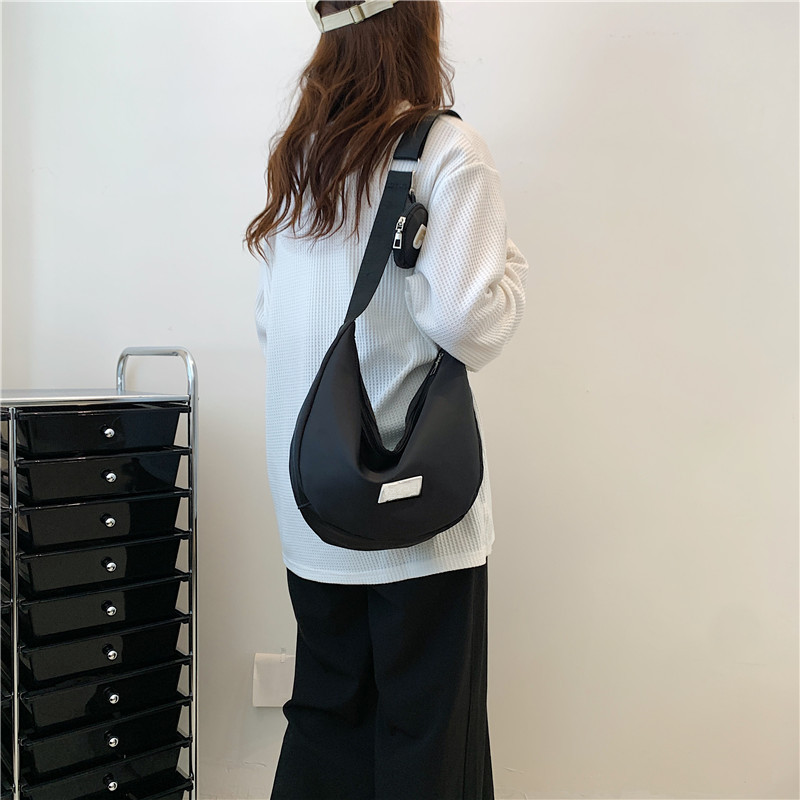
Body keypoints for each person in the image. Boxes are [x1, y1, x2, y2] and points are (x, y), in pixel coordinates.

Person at [243, 1, 529, 797]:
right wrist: (511, 271)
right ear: (415, 24)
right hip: (417, 512)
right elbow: (468, 321)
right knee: (427, 740)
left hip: (313, 497)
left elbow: (271, 322)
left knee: (325, 726)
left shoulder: (300, 154)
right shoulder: (445, 149)